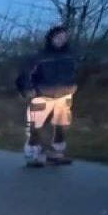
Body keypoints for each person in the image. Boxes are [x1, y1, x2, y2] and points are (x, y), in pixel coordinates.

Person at [16, 25, 78, 167]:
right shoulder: (39, 57)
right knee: (36, 127)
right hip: (42, 94)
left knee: (61, 125)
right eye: (58, 37)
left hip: (65, 95)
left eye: (64, 37)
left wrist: (73, 86)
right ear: (51, 38)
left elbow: (75, 72)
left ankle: (56, 153)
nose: (61, 40)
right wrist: (27, 90)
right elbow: (24, 74)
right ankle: (33, 155)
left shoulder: (70, 55)